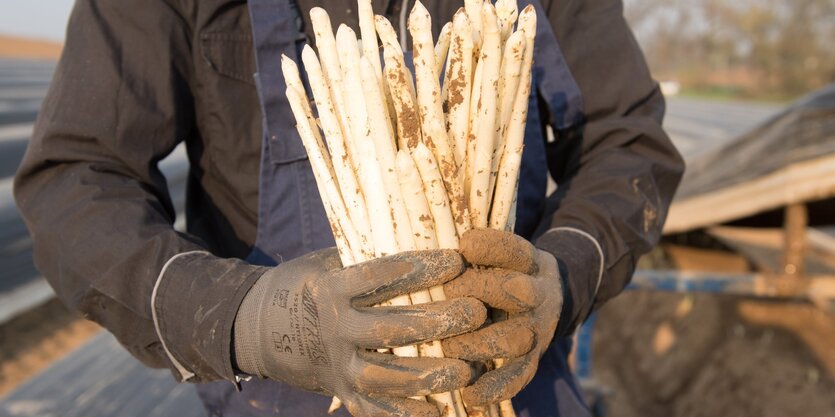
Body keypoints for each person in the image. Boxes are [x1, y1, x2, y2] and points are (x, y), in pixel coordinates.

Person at [14, 0, 684, 416]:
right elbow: (78, 178)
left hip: (511, 384)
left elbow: (626, 145)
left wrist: (562, 275)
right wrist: (250, 319)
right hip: (277, 401)